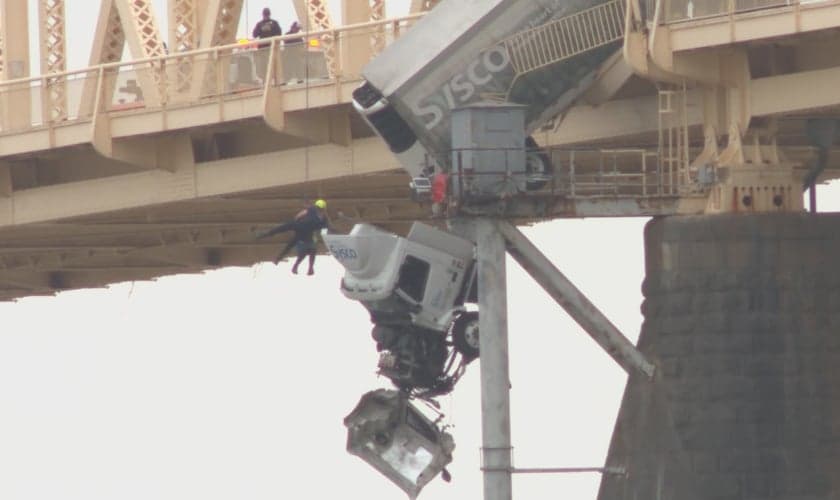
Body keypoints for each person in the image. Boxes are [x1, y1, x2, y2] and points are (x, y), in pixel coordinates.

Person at [256, 199, 329, 275]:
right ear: (323, 209)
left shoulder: (311, 209)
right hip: (307, 233)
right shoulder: (323, 218)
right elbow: (324, 230)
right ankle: (308, 268)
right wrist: (322, 235)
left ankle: (264, 235)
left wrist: (295, 223)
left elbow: (299, 215)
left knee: (281, 229)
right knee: (298, 246)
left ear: (316, 205)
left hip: (299, 225)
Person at [252, 8, 282, 81]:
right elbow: (279, 33)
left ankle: (265, 80)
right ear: (269, 14)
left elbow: (254, 34)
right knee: (274, 64)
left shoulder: (259, 24)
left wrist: (262, 30)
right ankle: (275, 80)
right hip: (272, 47)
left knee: (264, 65)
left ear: (263, 14)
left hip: (263, 48)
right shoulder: (274, 23)